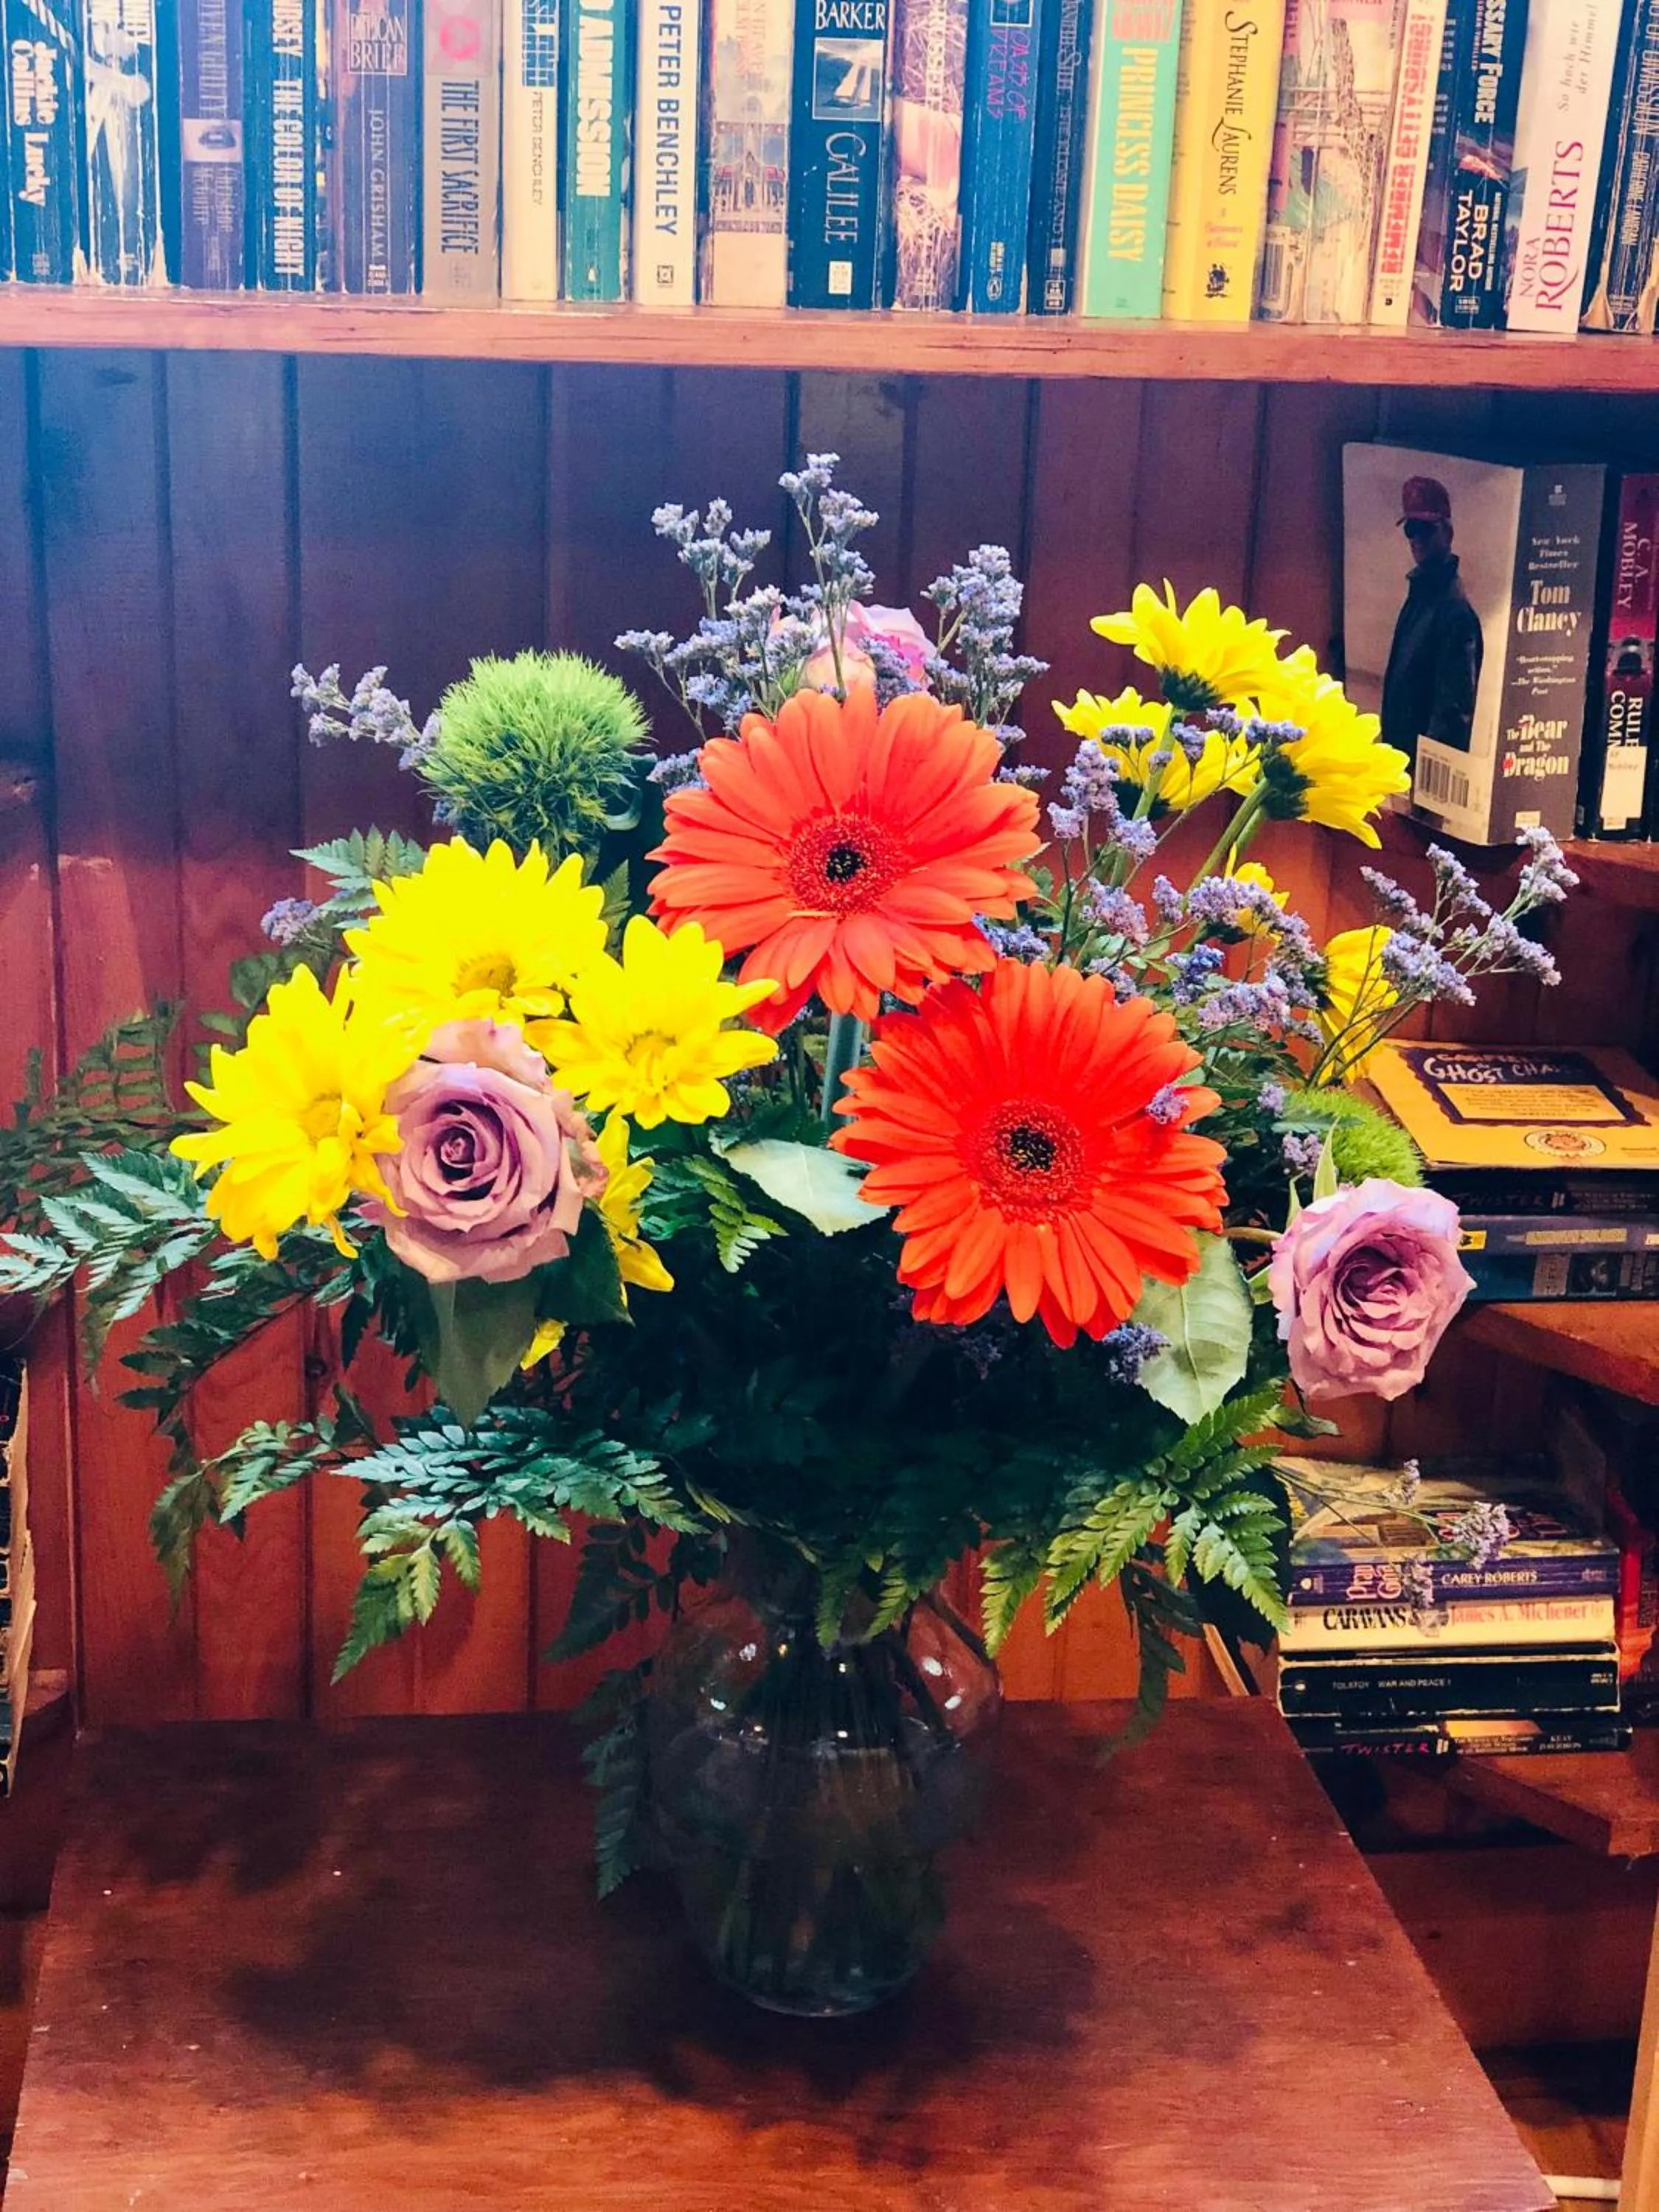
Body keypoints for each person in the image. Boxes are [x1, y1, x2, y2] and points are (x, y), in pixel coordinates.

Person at [1380, 476, 1484, 758]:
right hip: (1402, 771)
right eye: (1411, 530)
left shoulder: (1454, 612)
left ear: (1447, 534)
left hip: (1421, 780)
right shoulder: (1420, 598)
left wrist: (1425, 787)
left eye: (1427, 529)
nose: (1417, 539)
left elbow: (1453, 715)